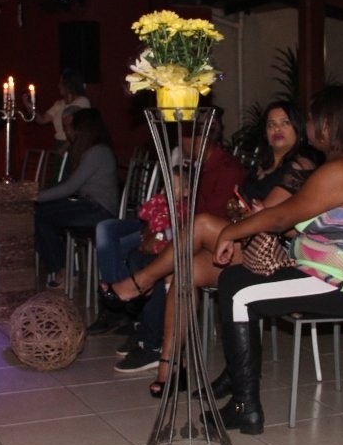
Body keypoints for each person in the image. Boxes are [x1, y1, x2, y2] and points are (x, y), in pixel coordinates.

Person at [209, 85, 343, 434]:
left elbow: (281, 217)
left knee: (237, 291)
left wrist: (229, 232)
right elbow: (304, 226)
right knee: (233, 280)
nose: (307, 126)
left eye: (310, 119)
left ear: (327, 124)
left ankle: (245, 406)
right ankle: (236, 385)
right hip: (328, 275)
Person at [105, 100, 319, 395]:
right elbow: (245, 211)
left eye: (284, 123)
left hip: (277, 253)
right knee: (183, 271)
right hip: (247, 245)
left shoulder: (301, 164)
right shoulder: (263, 167)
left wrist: (243, 214)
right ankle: (170, 366)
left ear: (298, 127)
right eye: (271, 124)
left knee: (202, 223)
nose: (277, 130)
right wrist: (238, 211)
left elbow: (269, 216)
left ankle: (140, 282)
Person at [98, 114, 248, 377]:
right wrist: (153, 232)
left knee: (167, 266)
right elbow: (169, 206)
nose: (181, 143)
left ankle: (153, 340)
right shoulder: (195, 164)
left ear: (198, 138)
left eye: (184, 136)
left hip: (213, 242)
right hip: (183, 233)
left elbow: (210, 222)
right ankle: (143, 328)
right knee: (129, 248)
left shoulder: (226, 169)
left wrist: (164, 238)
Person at [35, 108, 119, 289]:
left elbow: (70, 187)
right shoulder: (92, 150)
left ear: (83, 130)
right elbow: (70, 185)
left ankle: (65, 270)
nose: (69, 131)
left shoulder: (97, 151)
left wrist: (36, 196)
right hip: (90, 206)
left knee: (41, 214)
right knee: (42, 211)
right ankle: (63, 268)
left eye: (72, 127)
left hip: (99, 211)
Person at [34, 69, 91, 152]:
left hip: (73, 145)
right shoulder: (59, 104)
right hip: (59, 144)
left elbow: (80, 129)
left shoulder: (82, 101)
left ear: (69, 85)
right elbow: (42, 120)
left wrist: (64, 147)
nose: (59, 86)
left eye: (61, 83)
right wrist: (31, 108)